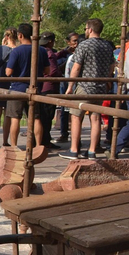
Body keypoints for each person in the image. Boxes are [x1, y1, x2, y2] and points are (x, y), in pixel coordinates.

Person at [61, 18, 117, 160]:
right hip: (100, 87)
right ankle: (92, 151)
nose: (85, 31)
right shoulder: (107, 46)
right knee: (96, 118)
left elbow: (77, 66)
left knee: (75, 116)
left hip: (85, 86)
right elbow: (112, 65)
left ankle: (74, 150)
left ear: (90, 29)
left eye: (86, 29)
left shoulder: (84, 45)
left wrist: (70, 86)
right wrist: (108, 79)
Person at [5, 23, 49, 149]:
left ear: (20, 35)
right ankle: (39, 146)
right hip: (34, 88)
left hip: (17, 88)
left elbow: (8, 72)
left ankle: (14, 146)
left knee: (15, 118)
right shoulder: (41, 50)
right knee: (36, 118)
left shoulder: (16, 51)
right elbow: (47, 71)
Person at [0, 28, 19, 149]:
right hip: (12, 81)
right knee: (7, 113)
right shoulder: (18, 50)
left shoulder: (1, 49)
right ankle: (5, 140)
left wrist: (2, 46)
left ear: (6, 37)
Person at [38, 32, 61, 149]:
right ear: (51, 42)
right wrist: (60, 74)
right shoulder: (49, 53)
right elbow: (52, 72)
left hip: (42, 86)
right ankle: (45, 141)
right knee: (47, 117)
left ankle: (42, 140)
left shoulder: (39, 51)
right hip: (49, 87)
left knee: (42, 117)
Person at [56, 32, 80, 143]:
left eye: (78, 41)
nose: (76, 43)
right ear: (68, 42)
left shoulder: (83, 52)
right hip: (65, 83)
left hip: (79, 85)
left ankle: (77, 138)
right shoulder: (64, 54)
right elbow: (57, 68)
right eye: (74, 41)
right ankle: (64, 133)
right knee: (64, 110)